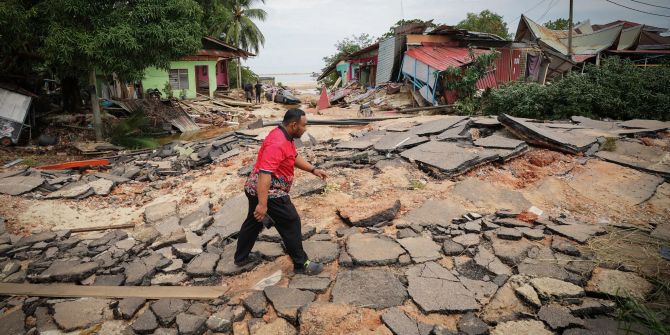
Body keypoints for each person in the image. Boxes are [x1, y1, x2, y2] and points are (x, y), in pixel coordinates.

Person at [235, 109, 328, 275]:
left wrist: (313, 169)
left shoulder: (284, 134)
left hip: (253, 187)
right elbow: (265, 175)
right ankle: (302, 264)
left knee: (253, 222)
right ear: (293, 125)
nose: (305, 129)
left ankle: (241, 258)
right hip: (270, 193)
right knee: (291, 222)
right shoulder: (277, 144)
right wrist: (263, 205)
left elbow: (292, 157)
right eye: (303, 126)